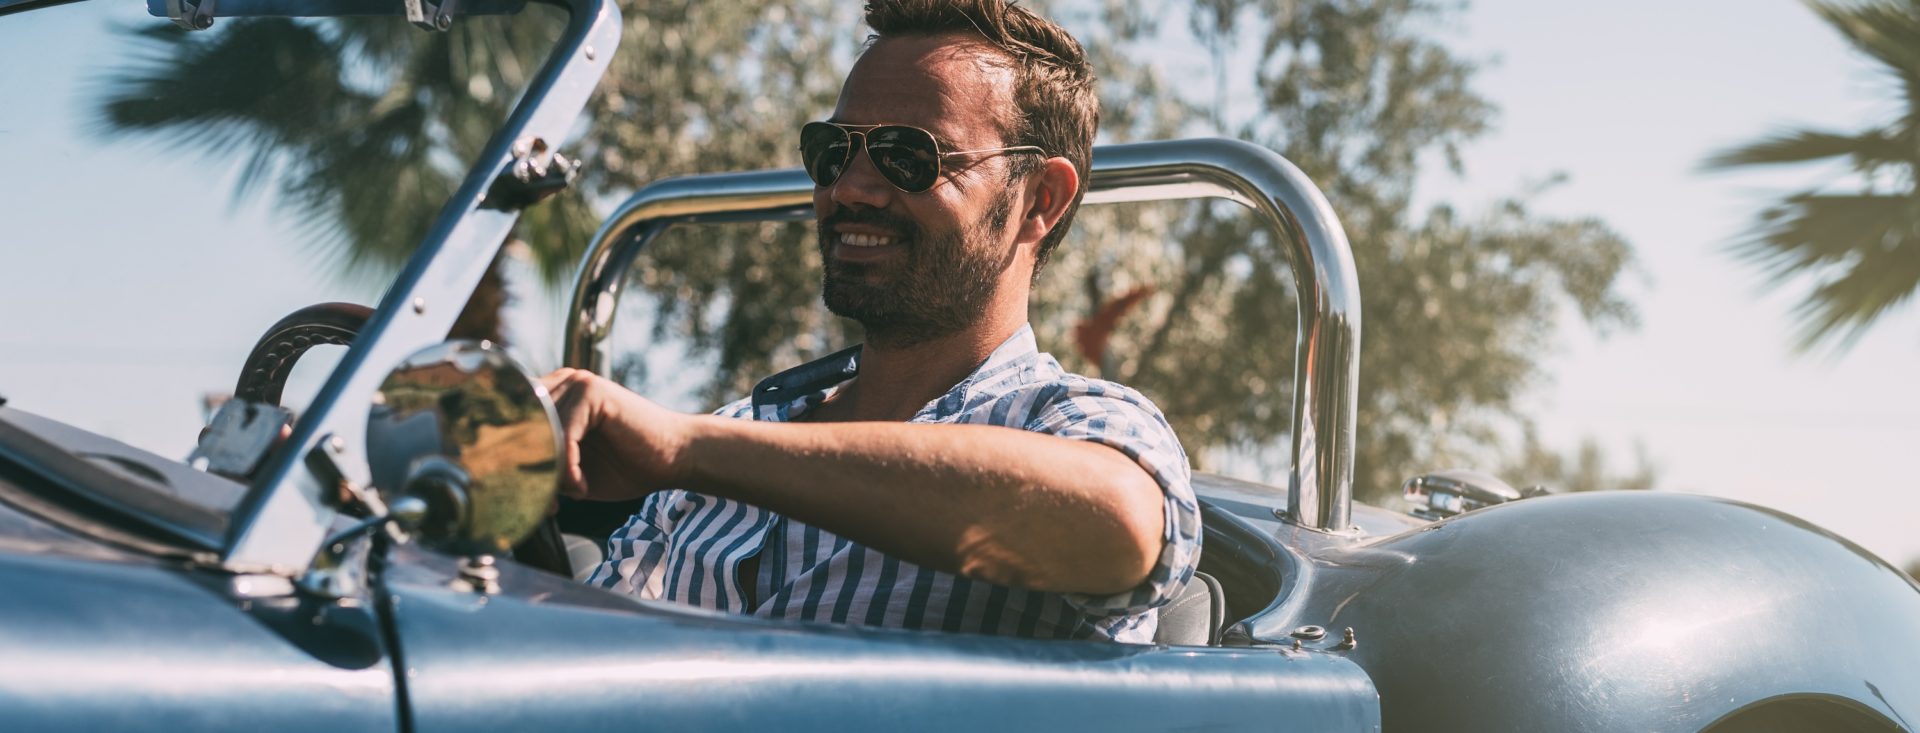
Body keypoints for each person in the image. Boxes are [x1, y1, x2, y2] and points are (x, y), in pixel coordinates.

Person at [540, 0, 1199, 643]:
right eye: (832, 150)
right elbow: (579, 650)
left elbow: (1116, 522)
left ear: (1039, 200)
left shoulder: (1080, 424)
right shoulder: (736, 430)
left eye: (908, 156)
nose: (850, 188)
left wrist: (686, 450)